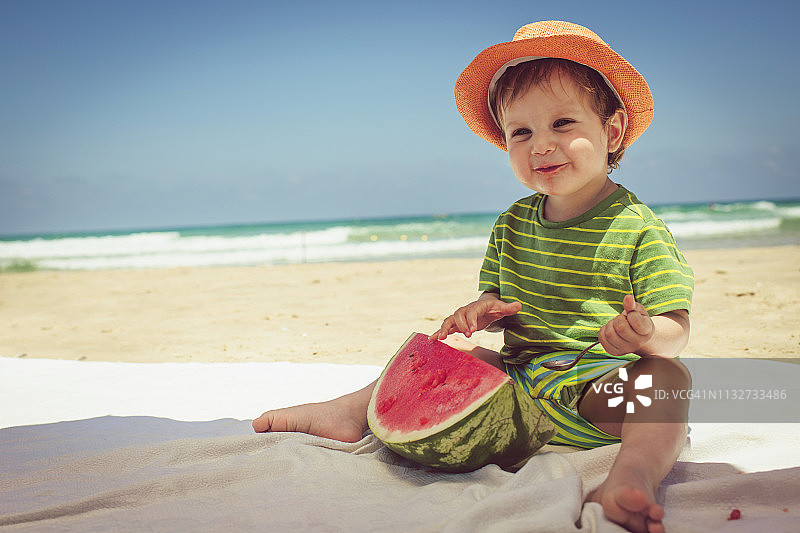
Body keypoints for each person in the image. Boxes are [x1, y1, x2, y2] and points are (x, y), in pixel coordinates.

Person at [254, 21, 693, 533]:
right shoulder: (511, 223)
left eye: (562, 124)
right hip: (518, 390)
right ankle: (353, 410)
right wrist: (480, 310)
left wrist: (646, 335)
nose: (541, 146)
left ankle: (631, 477)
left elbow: (676, 329)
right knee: (449, 354)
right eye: (521, 132)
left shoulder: (637, 228)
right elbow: (498, 299)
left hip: (600, 392)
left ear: (611, 131)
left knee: (666, 379)